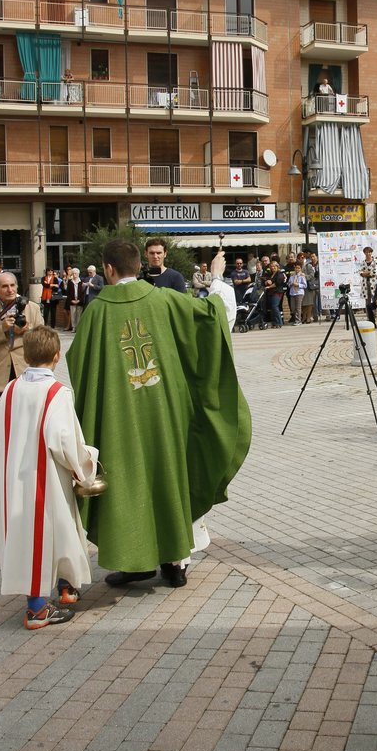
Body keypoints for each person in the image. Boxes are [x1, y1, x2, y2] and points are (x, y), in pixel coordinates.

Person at [67, 240, 251, 589]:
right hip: (167, 414)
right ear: (139, 265)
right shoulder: (164, 300)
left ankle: (134, 562)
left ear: (107, 269)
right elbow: (213, 317)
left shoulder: (97, 312)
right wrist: (216, 279)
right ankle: (175, 563)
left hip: (119, 420)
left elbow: (80, 365)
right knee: (169, 475)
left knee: (127, 480)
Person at [0, 326, 98, 630]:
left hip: (14, 482)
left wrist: (0, 472)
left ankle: (64, 586)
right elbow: (64, 441)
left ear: (25, 354)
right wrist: (86, 465)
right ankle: (37, 609)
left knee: (30, 538)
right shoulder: (56, 393)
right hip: (47, 479)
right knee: (56, 531)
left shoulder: (9, 390)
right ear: (57, 356)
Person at [0, 272, 44, 413]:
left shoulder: (32, 308)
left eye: (12, 285)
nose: (10, 290)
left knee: (27, 416)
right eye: (5, 286)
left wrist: (27, 330)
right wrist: (2, 330)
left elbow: (44, 339)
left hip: (26, 369)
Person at [264, 260, 285, 328]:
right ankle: (275, 323)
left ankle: (279, 322)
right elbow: (267, 280)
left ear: (277, 266)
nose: (272, 268)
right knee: (272, 308)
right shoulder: (270, 274)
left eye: (274, 266)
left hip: (277, 292)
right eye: (271, 266)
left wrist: (269, 286)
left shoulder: (279, 273)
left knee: (275, 306)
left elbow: (277, 283)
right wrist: (267, 282)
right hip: (271, 293)